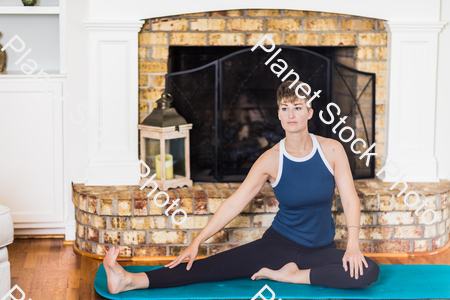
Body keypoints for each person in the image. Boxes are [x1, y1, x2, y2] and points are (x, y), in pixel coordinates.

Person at [103, 80, 380, 294]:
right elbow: (236, 203)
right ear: (279, 115)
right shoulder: (270, 159)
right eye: (285, 108)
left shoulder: (332, 150)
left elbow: (350, 199)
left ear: (309, 111)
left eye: (298, 107)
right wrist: (198, 241)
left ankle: (292, 275)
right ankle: (128, 279)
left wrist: (353, 245)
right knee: (208, 268)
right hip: (278, 246)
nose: (291, 114)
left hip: (320, 250)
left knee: (367, 271)